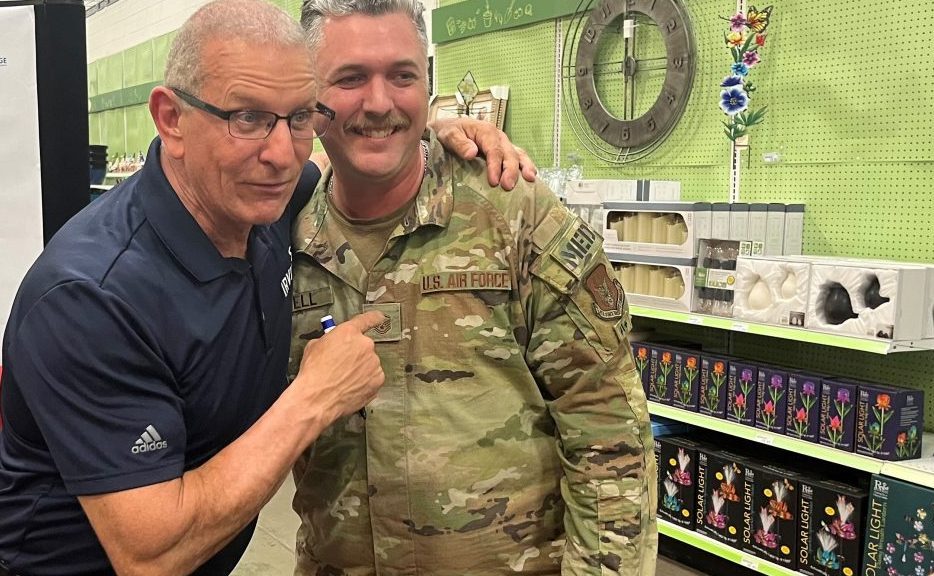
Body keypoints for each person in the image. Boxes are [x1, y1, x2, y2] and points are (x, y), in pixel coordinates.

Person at [0, 1, 534, 574]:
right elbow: (150, 555)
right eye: (247, 118)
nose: (282, 154)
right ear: (171, 119)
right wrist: (314, 397)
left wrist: (432, 134)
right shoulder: (92, 298)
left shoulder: (262, 203)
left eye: (300, 117)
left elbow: (350, 154)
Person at [288, 0, 658, 574]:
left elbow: (607, 433)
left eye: (402, 75)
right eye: (351, 78)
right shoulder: (281, 239)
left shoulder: (514, 215)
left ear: (428, 87)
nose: (380, 102)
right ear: (311, 97)